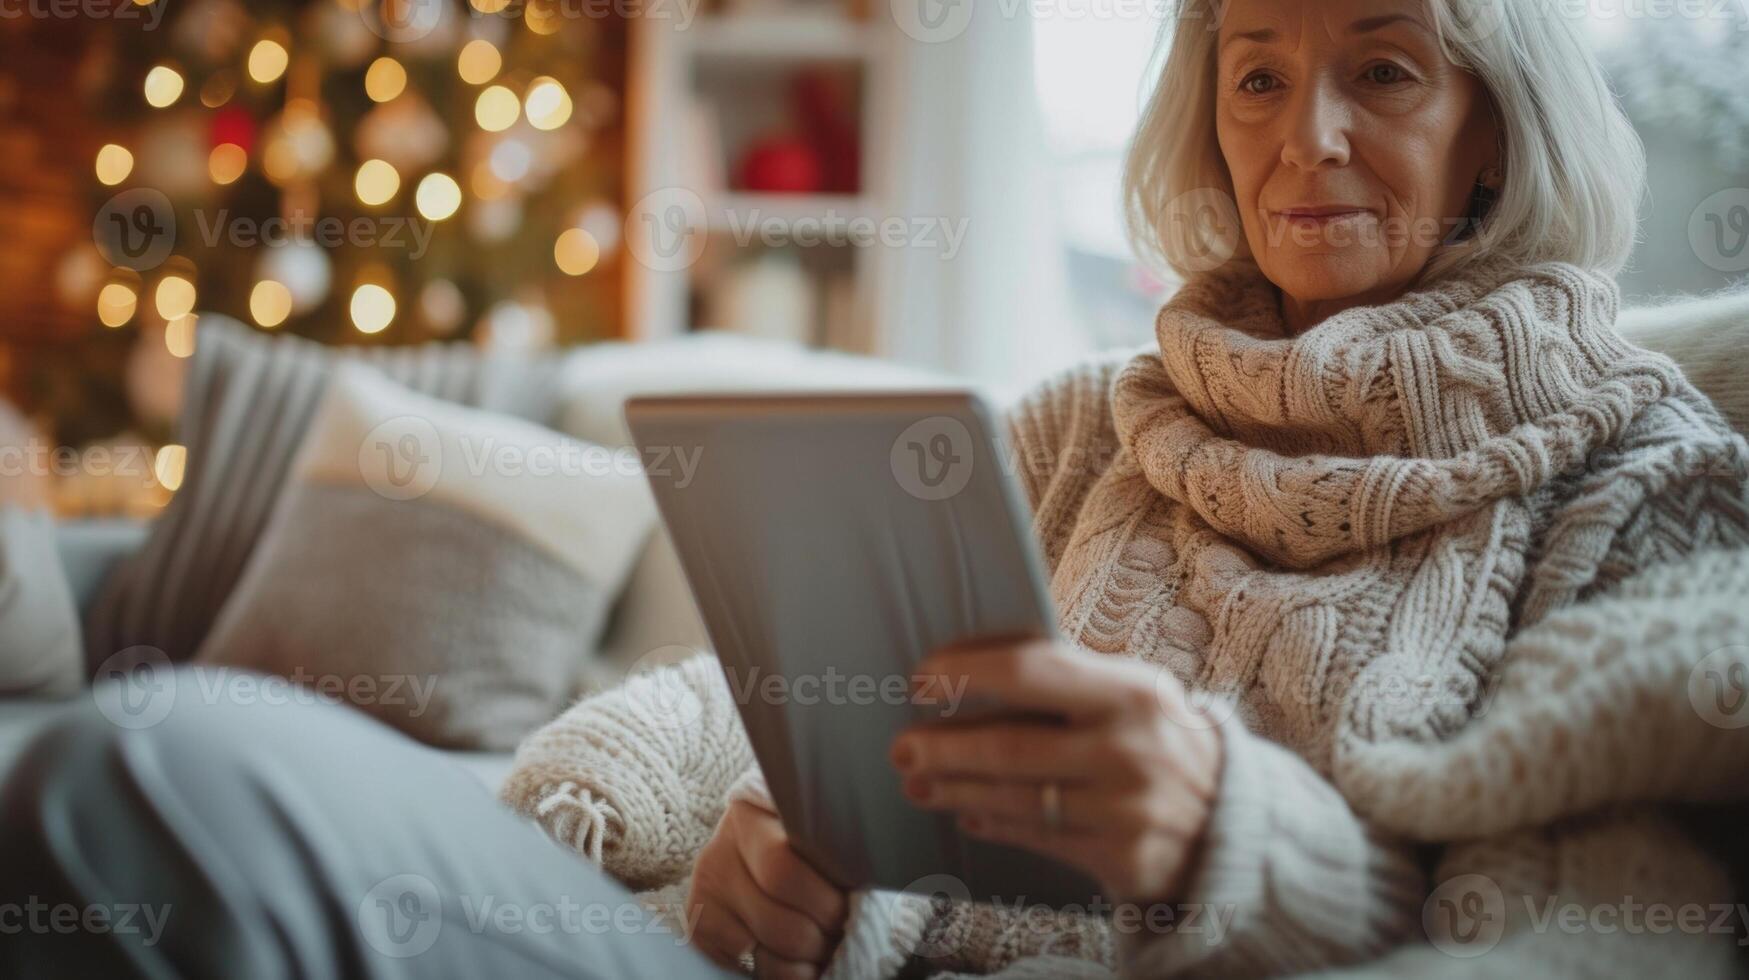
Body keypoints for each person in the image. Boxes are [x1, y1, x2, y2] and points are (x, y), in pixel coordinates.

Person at [6, 1, 1747, 977]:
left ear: (1497, 122)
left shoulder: (1644, 474)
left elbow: (1613, 945)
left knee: (140, 784)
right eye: (1257, 77)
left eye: (1380, 67)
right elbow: (768, 707)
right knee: (153, 775)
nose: (1306, 138)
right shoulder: (1088, 424)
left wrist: (1222, 840)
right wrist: (736, 843)